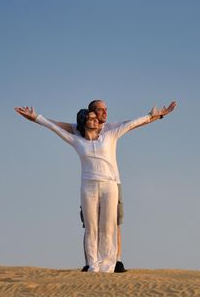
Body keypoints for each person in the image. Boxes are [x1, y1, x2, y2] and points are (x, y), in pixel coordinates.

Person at [14, 101, 176, 273]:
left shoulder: (109, 134)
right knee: (91, 228)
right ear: (84, 122)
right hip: (88, 187)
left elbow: (131, 124)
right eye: (92, 118)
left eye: (96, 118)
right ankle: (93, 265)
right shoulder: (77, 141)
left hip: (110, 185)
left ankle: (108, 266)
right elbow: (55, 128)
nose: (97, 121)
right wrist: (35, 117)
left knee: (108, 227)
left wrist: (152, 115)